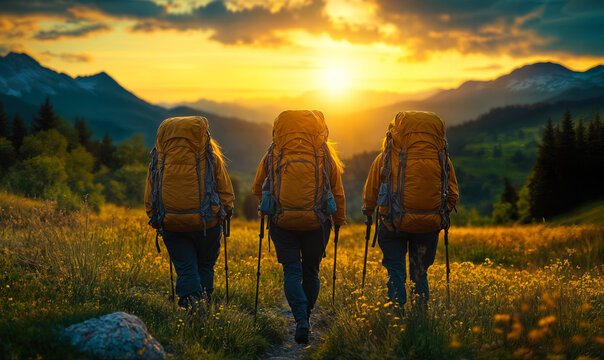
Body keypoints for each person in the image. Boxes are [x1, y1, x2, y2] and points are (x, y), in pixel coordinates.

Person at [252, 110, 346, 344]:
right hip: (317, 222)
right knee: (311, 271)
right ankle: (307, 316)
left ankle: (300, 319)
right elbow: (337, 190)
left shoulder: (273, 153)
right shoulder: (324, 155)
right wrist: (339, 220)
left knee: (292, 271)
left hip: (282, 222)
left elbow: (256, 188)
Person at [362, 111, 458, 311]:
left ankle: (397, 313)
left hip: (392, 223)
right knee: (420, 272)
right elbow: (453, 195)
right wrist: (438, 213)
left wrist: (369, 211)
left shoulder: (385, 159)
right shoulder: (442, 160)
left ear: (395, 134)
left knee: (395, 269)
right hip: (428, 226)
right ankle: (420, 315)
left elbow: (370, 192)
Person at [145, 116, 234, 309]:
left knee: (185, 268)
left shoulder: (159, 159)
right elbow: (225, 189)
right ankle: (203, 305)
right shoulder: (211, 158)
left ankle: (191, 304)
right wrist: (226, 210)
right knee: (205, 266)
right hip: (206, 222)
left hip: (171, 222)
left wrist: (154, 216)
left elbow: (151, 191)